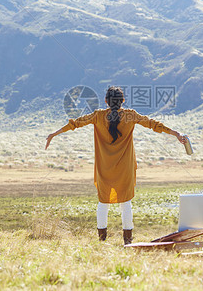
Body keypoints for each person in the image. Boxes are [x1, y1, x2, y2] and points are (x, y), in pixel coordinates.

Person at [45, 86, 187, 245]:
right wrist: (176, 134)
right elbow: (153, 124)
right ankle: (128, 241)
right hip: (125, 168)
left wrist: (53, 134)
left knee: (103, 202)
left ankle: (102, 240)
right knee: (126, 202)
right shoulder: (130, 115)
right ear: (123, 101)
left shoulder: (98, 116)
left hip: (104, 167)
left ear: (106, 101)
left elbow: (75, 123)